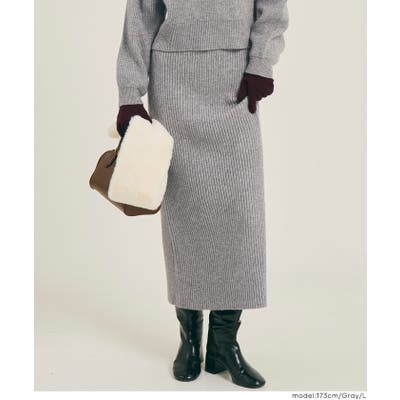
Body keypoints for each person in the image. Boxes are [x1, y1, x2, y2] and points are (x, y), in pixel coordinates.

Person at [115, 0, 289, 389]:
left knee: (242, 215)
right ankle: (190, 340)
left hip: (236, 78)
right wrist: (130, 94)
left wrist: (261, 63)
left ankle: (224, 344)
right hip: (173, 79)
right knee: (186, 215)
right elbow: (141, 15)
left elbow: (273, 8)